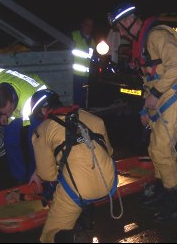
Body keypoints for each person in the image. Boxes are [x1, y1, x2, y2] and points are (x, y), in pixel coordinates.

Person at [108, 3, 177, 222]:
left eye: (119, 28)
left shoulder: (157, 36)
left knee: (162, 150)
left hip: (173, 98)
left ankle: (175, 201)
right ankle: (162, 189)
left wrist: (155, 93)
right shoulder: (144, 41)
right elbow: (150, 78)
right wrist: (146, 106)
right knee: (156, 150)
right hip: (161, 99)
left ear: (127, 22)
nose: (119, 34)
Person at [30, 89, 118, 243]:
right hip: (109, 182)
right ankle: (86, 222)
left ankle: (75, 238)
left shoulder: (41, 130)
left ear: (44, 110)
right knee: (79, 177)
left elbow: (47, 175)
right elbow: (109, 151)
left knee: (49, 234)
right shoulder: (93, 118)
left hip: (78, 190)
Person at [0, 68, 48, 185]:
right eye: (3, 111)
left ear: (13, 100)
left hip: (36, 107)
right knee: (10, 139)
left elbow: (29, 121)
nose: (7, 115)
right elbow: (7, 111)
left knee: (34, 142)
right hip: (21, 105)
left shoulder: (31, 101)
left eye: (9, 111)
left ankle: (36, 175)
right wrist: (4, 115)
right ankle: (19, 176)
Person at [71, 16, 96, 108]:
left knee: (81, 102)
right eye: (87, 25)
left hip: (84, 78)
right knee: (73, 101)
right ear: (82, 25)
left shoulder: (93, 42)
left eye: (91, 26)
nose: (89, 28)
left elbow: (91, 59)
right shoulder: (73, 36)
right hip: (73, 76)